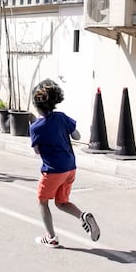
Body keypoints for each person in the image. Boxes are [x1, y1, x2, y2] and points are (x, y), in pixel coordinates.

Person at [30, 78, 100, 247]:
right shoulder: (61, 118)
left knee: (42, 201)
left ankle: (51, 237)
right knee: (61, 202)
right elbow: (77, 136)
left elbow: (37, 151)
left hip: (53, 171)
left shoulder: (35, 127)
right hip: (70, 168)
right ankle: (83, 216)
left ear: (36, 105)